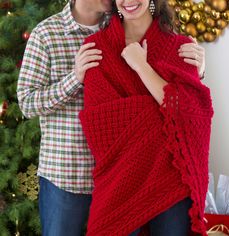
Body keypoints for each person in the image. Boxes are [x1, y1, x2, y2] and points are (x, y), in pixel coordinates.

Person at [17, 0, 206, 235]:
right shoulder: (58, 36)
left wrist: (195, 69)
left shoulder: (168, 41)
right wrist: (75, 78)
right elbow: (29, 103)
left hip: (151, 176)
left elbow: (187, 110)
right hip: (71, 174)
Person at [79, 0, 213, 236]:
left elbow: (189, 114)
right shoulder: (96, 48)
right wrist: (159, 109)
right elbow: (100, 127)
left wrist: (142, 67)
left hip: (171, 180)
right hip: (119, 180)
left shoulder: (181, 48)